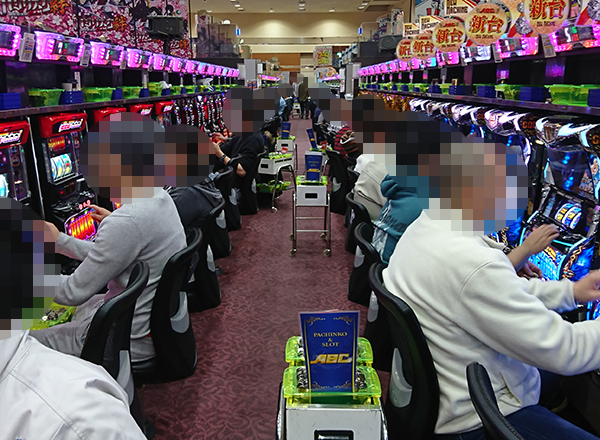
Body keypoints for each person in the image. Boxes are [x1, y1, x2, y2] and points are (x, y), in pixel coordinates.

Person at [383, 115, 600, 440]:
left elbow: (497, 292)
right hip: (477, 417)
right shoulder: (471, 263)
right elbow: (565, 350)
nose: (519, 208)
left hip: (453, 385)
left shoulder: (428, 225)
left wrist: (571, 292)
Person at [29, 114, 187, 363]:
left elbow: (71, 292)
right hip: (146, 322)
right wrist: (59, 241)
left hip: (126, 341)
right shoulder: (159, 197)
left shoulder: (127, 221)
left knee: (24, 343)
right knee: (78, 308)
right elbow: (111, 255)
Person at [0, 198, 146, 440]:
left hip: (133, 334)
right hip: (134, 323)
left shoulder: (80, 415)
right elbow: (109, 254)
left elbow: (73, 292)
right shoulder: (153, 203)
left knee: (43, 329)